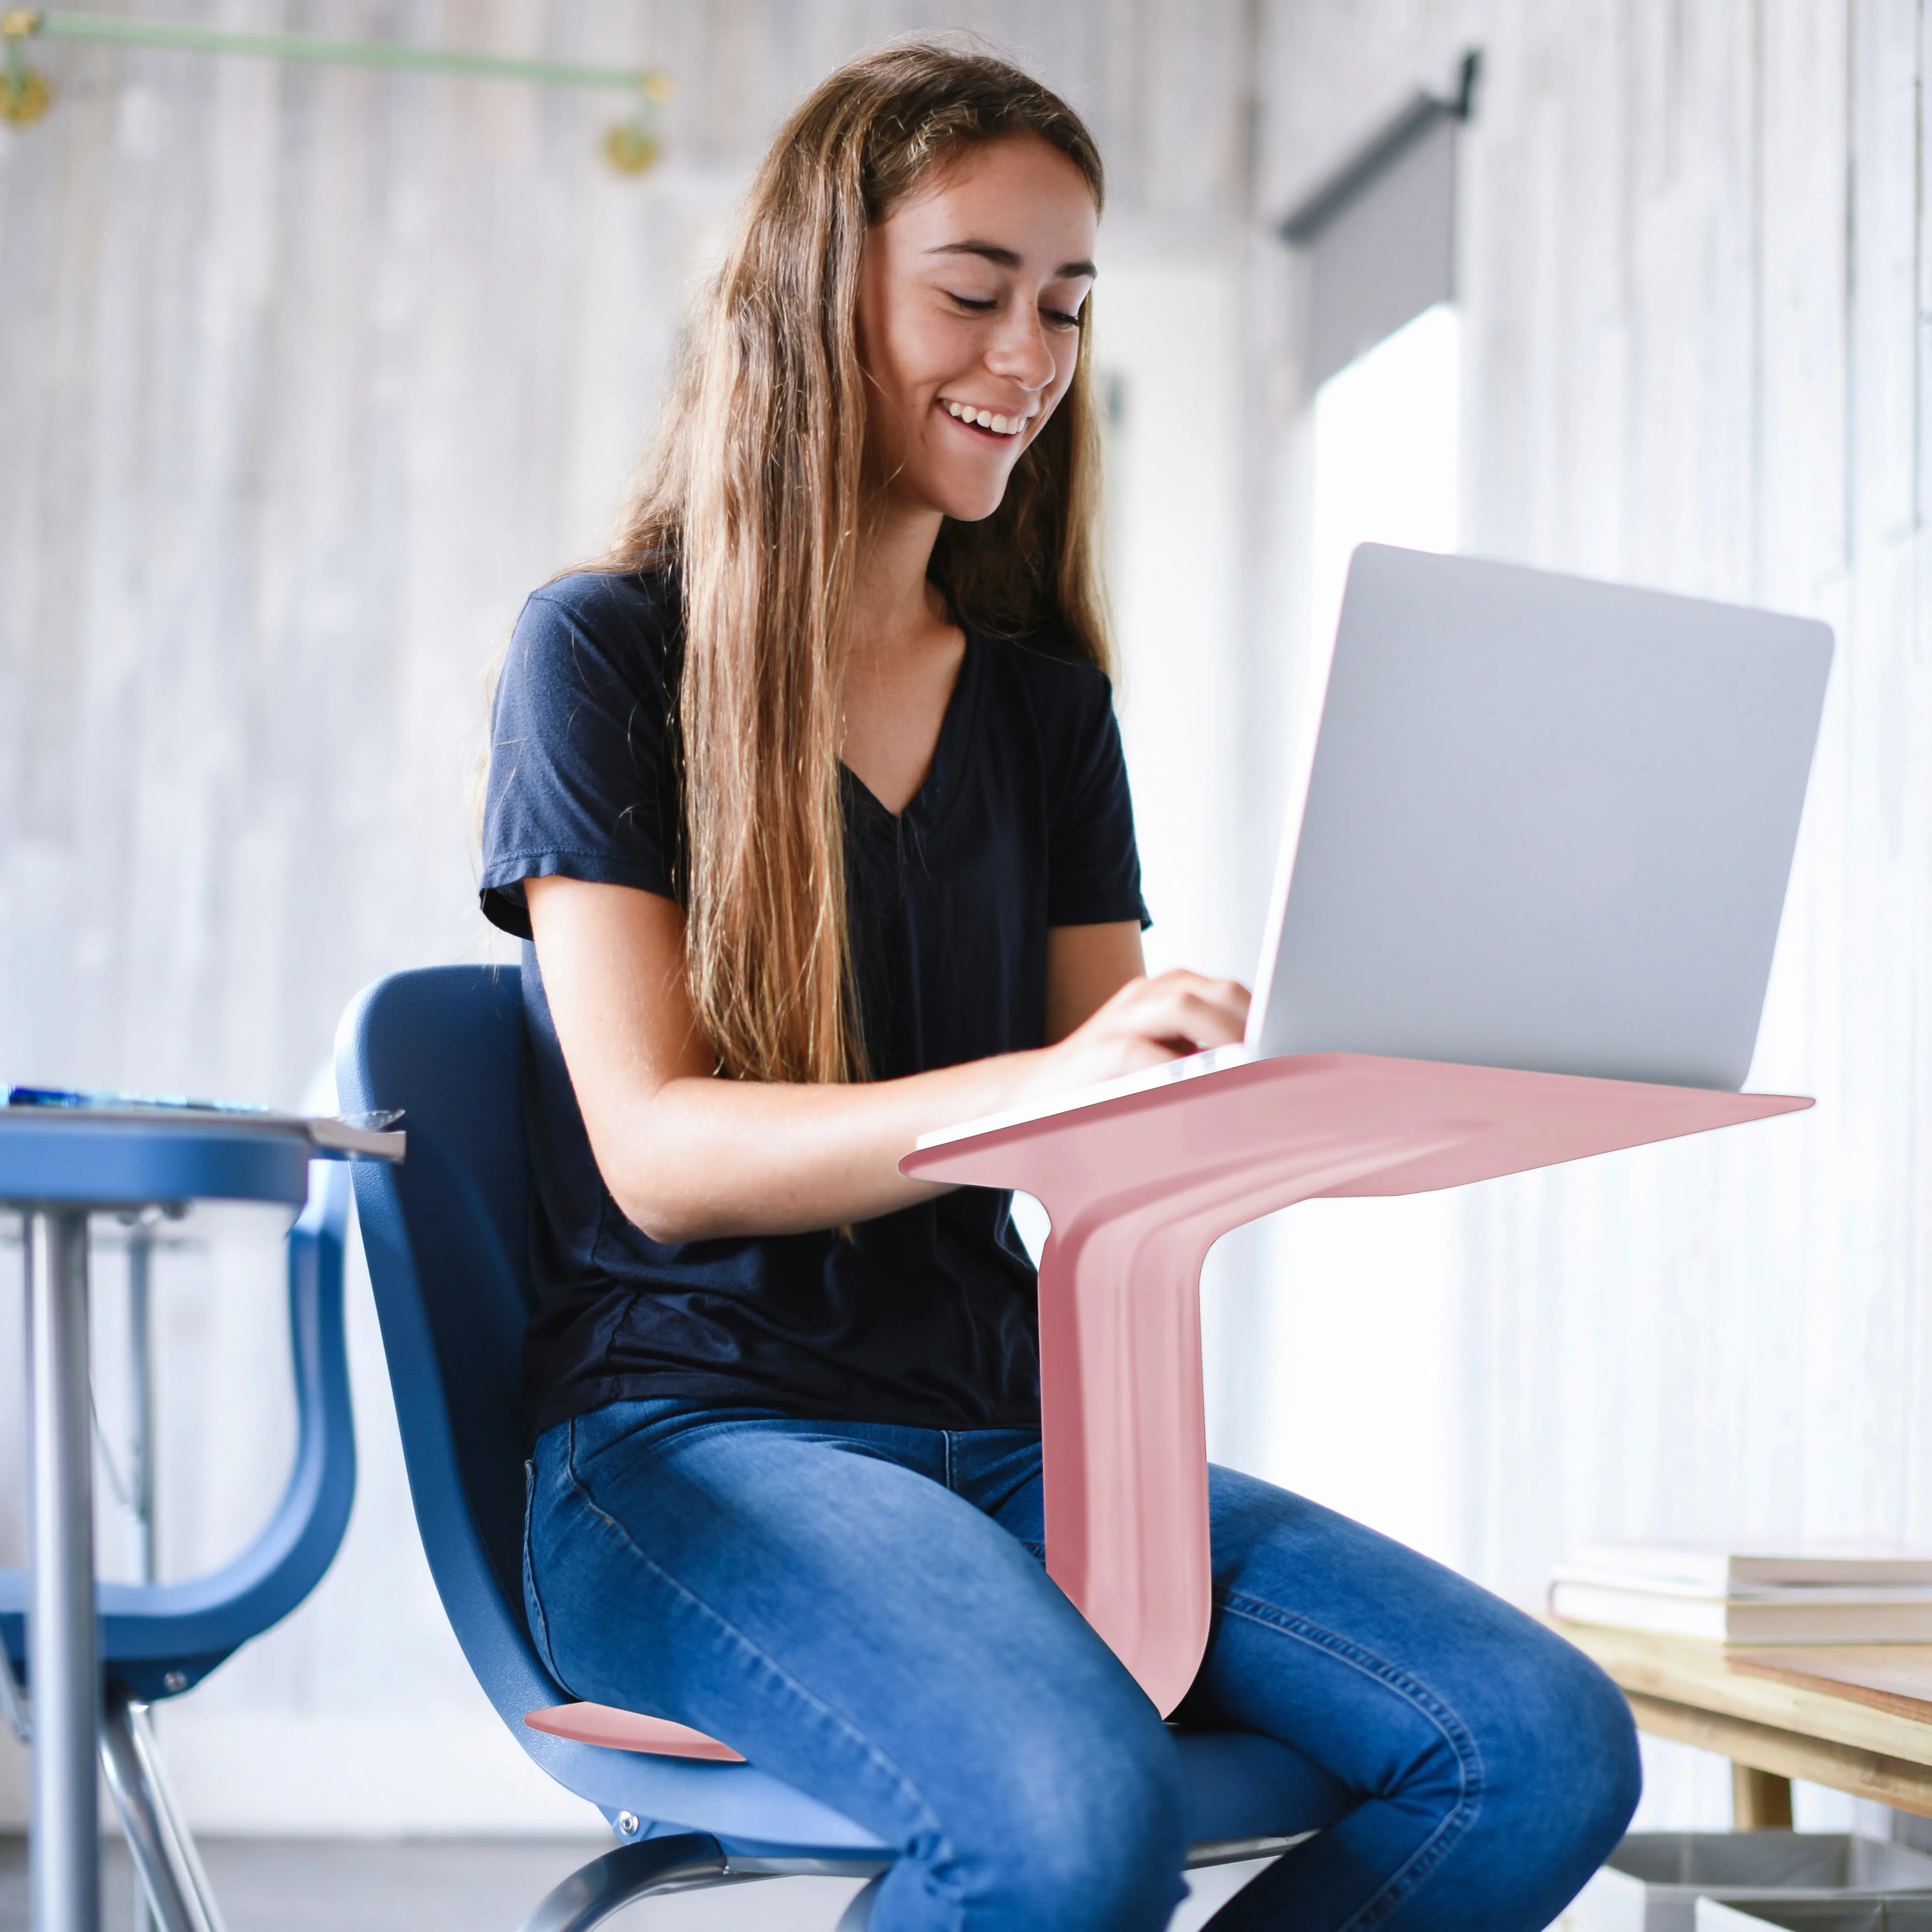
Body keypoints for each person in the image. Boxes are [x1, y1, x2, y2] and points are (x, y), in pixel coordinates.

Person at [479, 40, 1639, 1932]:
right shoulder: (605, 651)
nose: (1027, 359)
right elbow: (662, 1155)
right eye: (972, 292)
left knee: (1538, 1743)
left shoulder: (1038, 704)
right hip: (695, 1439)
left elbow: (1100, 1138)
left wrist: (1303, 1084)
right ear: (816, 287)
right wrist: (1044, 1081)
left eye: (1067, 308)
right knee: (1069, 1815)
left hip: (1021, 1429)